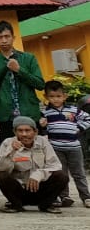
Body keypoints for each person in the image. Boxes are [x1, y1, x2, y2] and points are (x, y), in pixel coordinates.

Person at [0, 20, 44, 141]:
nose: (4, 40)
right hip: (4, 115)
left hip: (28, 111)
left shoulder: (28, 58)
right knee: (9, 150)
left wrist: (19, 70)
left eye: (7, 36)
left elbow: (40, 84)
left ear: (13, 37)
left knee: (34, 149)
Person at [0, 116, 67, 213]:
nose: (24, 134)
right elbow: (1, 168)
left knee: (61, 176)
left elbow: (55, 165)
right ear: (15, 132)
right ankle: (16, 205)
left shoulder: (42, 142)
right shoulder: (7, 143)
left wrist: (39, 175)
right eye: (20, 131)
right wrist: (11, 151)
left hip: (40, 188)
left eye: (27, 130)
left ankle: (46, 205)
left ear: (35, 132)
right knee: (1, 176)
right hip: (20, 190)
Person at [39, 79, 90, 208]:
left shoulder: (73, 110)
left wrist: (79, 128)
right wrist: (43, 126)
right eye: (52, 96)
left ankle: (86, 196)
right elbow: (43, 131)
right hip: (56, 148)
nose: (55, 99)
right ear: (46, 97)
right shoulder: (45, 113)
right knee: (61, 173)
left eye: (58, 96)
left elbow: (88, 118)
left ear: (64, 96)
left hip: (74, 147)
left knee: (79, 173)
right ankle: (64, 196)